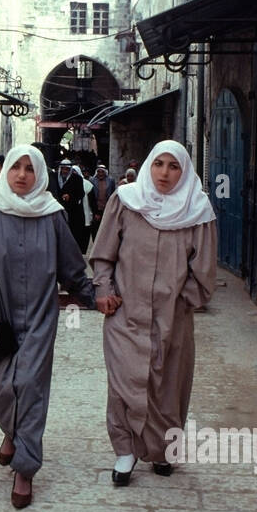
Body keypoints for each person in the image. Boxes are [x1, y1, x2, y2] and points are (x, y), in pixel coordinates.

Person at [0, 145, 95, 509]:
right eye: (15, 167)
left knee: (29, 385)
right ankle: (11, 432)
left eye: (29, 169)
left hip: (38, 316)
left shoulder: (52, 216)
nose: (21, 174)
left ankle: (25, 468)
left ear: (40, 175)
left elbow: (71, 267)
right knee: (0, 388)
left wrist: (95, 296)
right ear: (4, 173)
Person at [90, 140, 217, 484]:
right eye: (158, 163)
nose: (164, 173)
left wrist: (179, 303)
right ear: (149, 165)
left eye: (173, 166)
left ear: (184, 171)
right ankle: (125, 451)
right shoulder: (126, 201)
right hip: (124, 315)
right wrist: (104, 290)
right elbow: (103, 254)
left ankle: (163, 451)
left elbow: (203, 270)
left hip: (172, 320)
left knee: (167, 385)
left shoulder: (198, 210)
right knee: (123, 383)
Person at [53, 159, 90, 252]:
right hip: (57, 208)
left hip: (73, 210)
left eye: (67, 169)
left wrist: (70, 196)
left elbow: (81, 194)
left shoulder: (77, 178)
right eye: (63, 169)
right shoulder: (53, 177)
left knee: (73, 232)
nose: (65, 171)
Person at [87, 165, 117, 245]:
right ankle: (96, 244)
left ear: (105, 172)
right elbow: (91, 197)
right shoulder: (92, 180)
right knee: (95, 227)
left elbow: (112, 194)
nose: (100, 173)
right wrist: (95, 211)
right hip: (96, 208)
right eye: (98, 171)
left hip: (107, 207)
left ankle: (104, 244)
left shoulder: (110, 181)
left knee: (106, 227)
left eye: (102, 172)